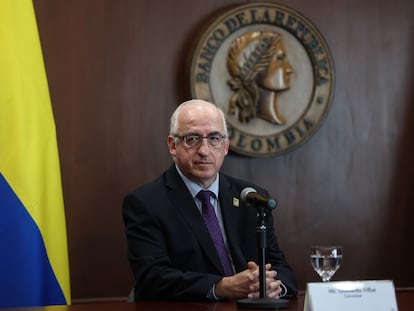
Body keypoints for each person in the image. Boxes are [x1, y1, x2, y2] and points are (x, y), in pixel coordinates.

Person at [123, 99, 297, 301]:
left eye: (214, 138)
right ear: (172, 145)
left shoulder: (251, 197)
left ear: (225, 146)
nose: (204, 150)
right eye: (192, 138)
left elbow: (281, 268)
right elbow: (151, 278)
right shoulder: (146, 203)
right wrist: (220, 287)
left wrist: (273, 287)